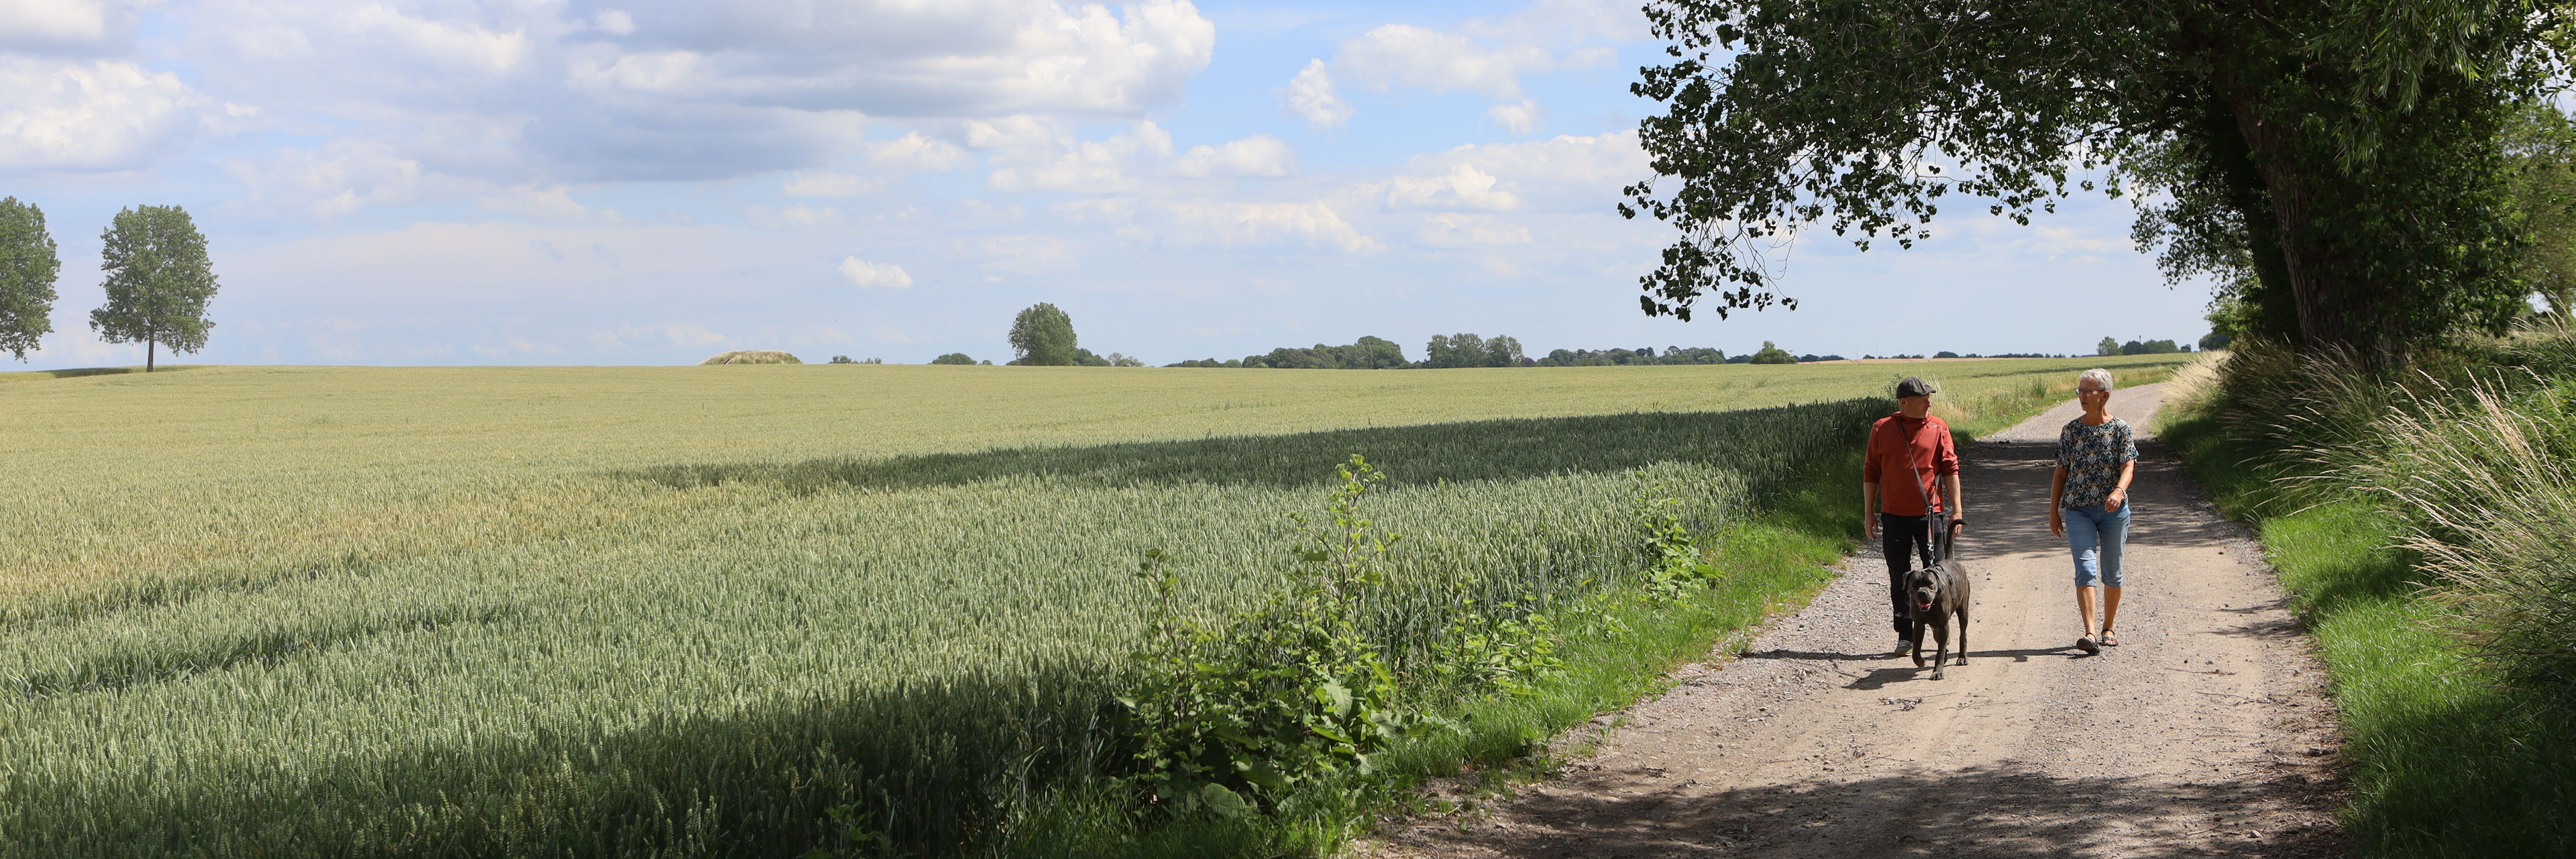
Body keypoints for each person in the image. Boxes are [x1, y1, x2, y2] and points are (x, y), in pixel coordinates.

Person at [1862, 376, 1964, 656]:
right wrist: (1869, 513)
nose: (1929, 404)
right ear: (1904, 403)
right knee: (1899, 576)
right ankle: (1905, 634)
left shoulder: (1939, 427)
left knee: (1939, 574)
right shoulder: (1882, 429)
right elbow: (1871, 471)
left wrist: (1957, 510)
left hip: (1930, 516)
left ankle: (1939, 626)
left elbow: (1950, 469)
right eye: (1923, 400)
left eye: (1929, 399)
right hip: (1894, 516)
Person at [2049, 368, 2139, 655]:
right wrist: (2053, 511)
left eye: (2088, 391)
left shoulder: (2120, 429)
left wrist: (2119, 490)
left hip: (2114, 512)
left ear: (2105, 395)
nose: (2082, 396)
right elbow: (2061, 473)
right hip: (2079, 511)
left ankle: (2108, 627)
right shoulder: (2071, 431)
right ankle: (2089, 633)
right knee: (2085, 568)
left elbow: (2128, 465)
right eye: (2080, 391)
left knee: (2113, 570)